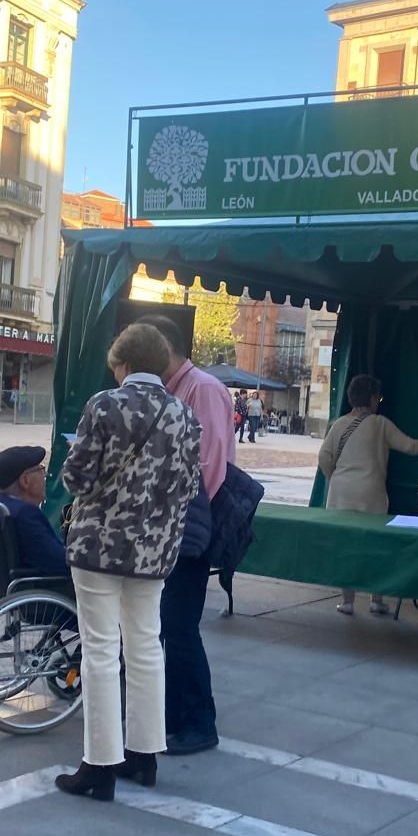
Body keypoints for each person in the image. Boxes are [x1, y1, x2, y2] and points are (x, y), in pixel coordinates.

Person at [57, 323, 201, 802]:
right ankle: (144, 756)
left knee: (100, 650)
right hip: (154, 552)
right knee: (145, 648)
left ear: (121, 362)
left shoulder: (105, 404)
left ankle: (98, 766)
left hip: (99, 546)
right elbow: (189, 488)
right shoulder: (184, 415)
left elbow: (76, 478)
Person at [137, 314, 235, 756]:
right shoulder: (171, 391)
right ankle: (175, 716)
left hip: (187, 531)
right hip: (164, 529)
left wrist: (173, 521)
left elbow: (211, 469)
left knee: (179, 628)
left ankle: (199, 722)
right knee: (166, 627)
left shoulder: (205, 390)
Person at [319, 374, 418, 616]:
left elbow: (324, 457)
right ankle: (376, 599)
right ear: (373, 397)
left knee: (345, 545)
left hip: (340, 492)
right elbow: (410, 446)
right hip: (370, 492)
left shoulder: (338, 424)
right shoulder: (380, 424)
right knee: (374, 545)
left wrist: (336, 477)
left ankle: (347, 601)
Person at [0, 445, 67, 576]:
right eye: (41, 470)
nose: (45, 476)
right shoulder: (26, 514)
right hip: (48, 584)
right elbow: (59, 561)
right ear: (25, 481)